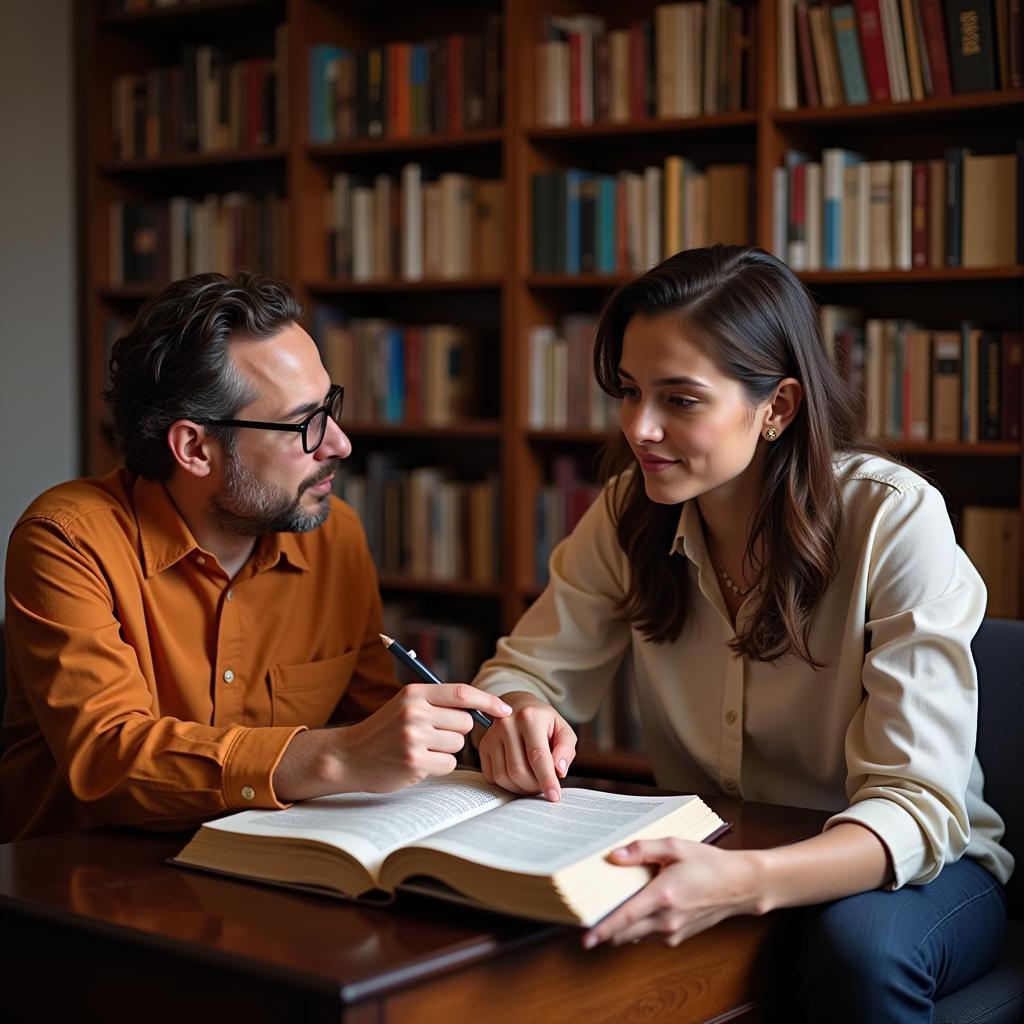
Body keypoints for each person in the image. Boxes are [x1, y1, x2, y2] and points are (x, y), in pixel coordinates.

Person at [472, 245, 1013, 1020]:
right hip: (718, 847)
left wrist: (745, 884)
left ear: (778, 407)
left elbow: (917, 808)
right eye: (628, 391)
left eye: (680, 400)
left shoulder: (893, 518)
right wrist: (517, 713)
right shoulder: (630, 511)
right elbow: (524, 670)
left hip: (917, 870)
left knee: (858, 952)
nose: (639, 428)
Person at [1, 271, 510, 843]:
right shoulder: (67, 540)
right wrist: (338, 755)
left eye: (331, 406)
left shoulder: (334, 535)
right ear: (195, 447)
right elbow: (108, 761)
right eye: (304, 424)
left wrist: (480, 734)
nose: (340, 443)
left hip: (277, 874)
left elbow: (366, 720)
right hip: (82, 888)